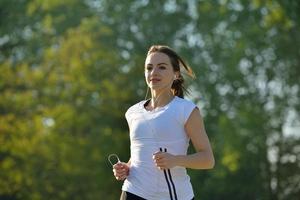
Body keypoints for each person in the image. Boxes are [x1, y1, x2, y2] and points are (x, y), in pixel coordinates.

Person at [112, 45, 215, 200]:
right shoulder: (132, 112)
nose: (154, 72)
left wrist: (175, 160)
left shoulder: (186, 110)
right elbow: (141, 154)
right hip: (133, 192)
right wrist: (126, 167)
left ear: (176, 74)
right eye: (149, 68)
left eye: (162, 67)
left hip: (174, 196)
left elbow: (207, 159)